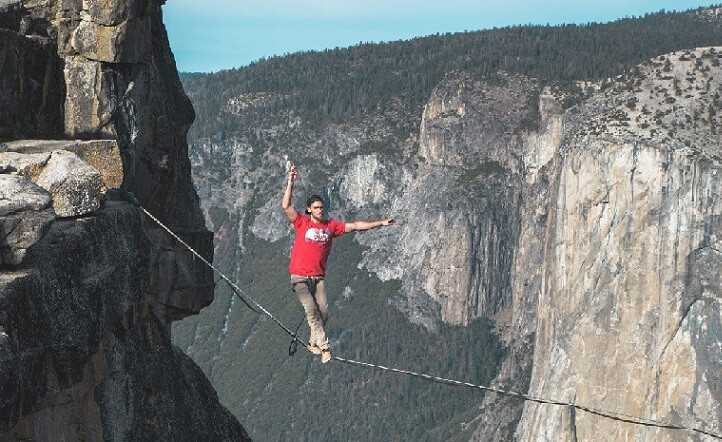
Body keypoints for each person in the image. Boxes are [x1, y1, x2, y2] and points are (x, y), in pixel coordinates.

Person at [282, 163, 394, 363]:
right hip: (299, 277)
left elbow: (356, 226)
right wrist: (290, 182)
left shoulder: (331, 227)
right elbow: (286, 206)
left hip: (318, 278)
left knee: (323, 313)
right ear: (309, 209)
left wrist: (380, 223)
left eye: (322, 208)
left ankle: (313, 343)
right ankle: (325, 347)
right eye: (316, 208)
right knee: (311, 311)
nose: (320, 211)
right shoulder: (301, 223)